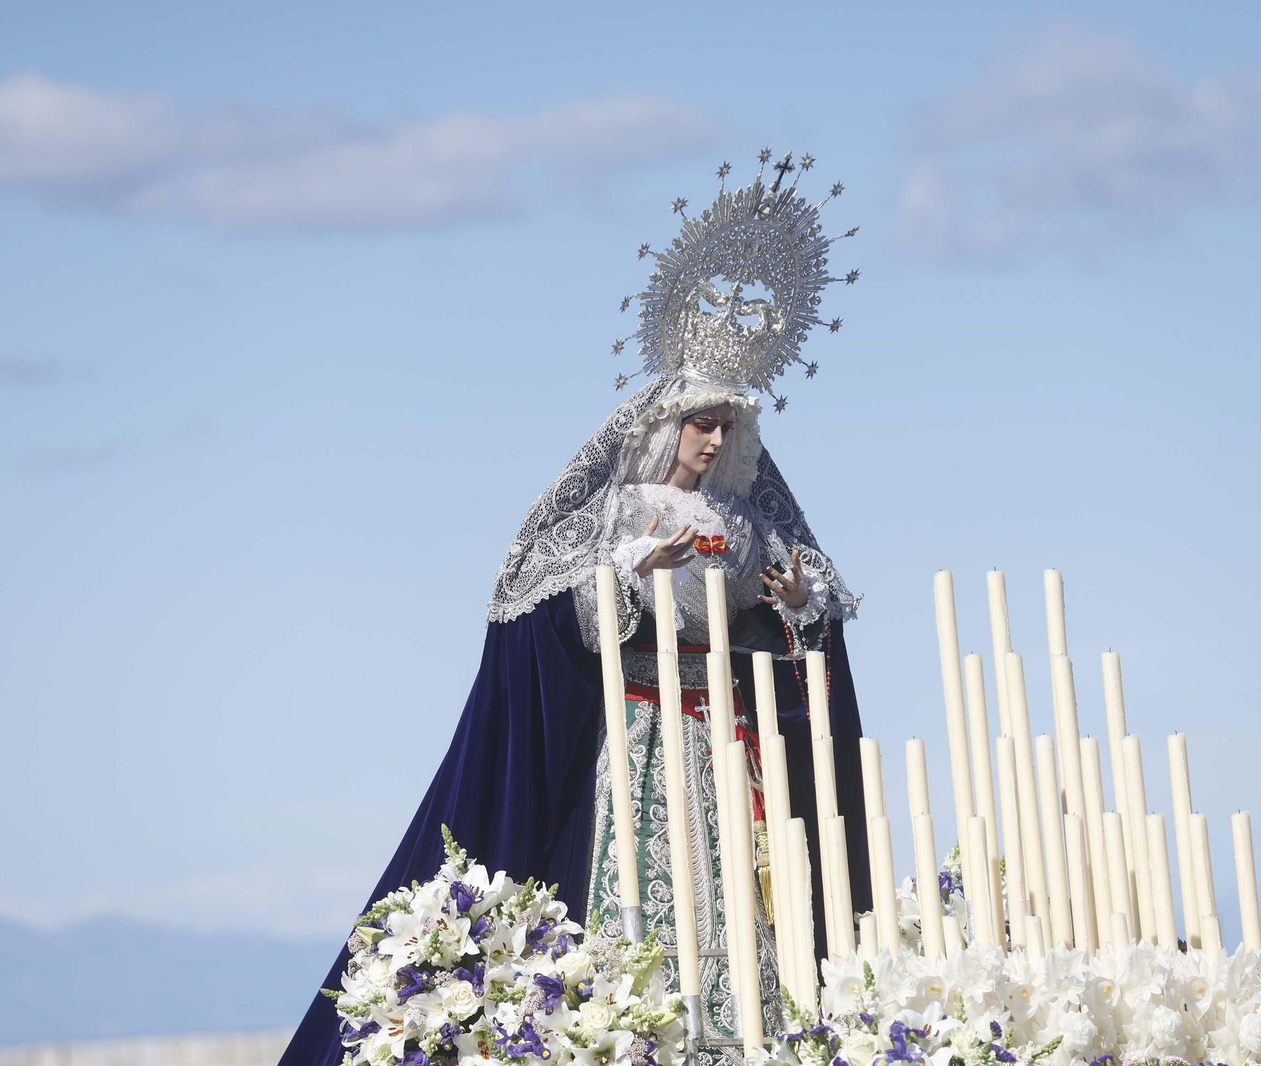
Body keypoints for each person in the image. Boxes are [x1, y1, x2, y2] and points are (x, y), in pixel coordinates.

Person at [279, 150, 871, 1066]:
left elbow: (798, 613)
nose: (712, 439)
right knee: (634, 891)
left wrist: (798, 607)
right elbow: (542, 604)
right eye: (699, 420)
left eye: (726, 424)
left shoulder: (750, 524)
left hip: (728, 745)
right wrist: (636, 569)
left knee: (737, 909)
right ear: (665, 419)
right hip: (635, 738)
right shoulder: (616, 514)